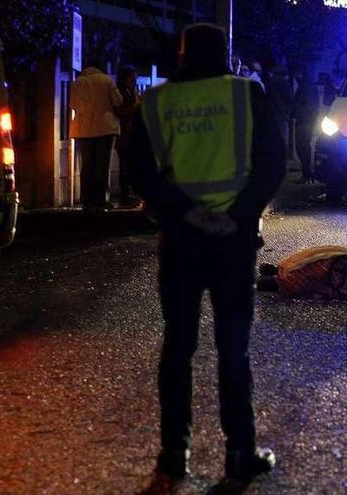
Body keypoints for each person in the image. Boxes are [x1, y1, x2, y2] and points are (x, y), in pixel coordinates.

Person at [127, 23, 286, 490]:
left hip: (180, 238)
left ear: (181, 53)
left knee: (178, 345)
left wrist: (186, 212)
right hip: (232, 240)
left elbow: (141, 171)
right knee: (233, 348)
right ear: (225, 52)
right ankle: (240, 454)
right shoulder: (246, 94)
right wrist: (237, 213)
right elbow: (272, 162)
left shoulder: (155, 102)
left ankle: (174, 453)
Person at [70, 61, 123, 210]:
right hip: (105, 128)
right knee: (102, 166)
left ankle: (87, 200)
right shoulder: (106, 80)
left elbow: (73, 105)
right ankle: (101, 199)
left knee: (86, 167)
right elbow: (118, 101)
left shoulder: (77, 83)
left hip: (83, 130)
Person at [114, 65, 141, 207]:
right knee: (124, 165)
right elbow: (119, 111)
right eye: (132, 79)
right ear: (125, 79)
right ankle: (125, 196)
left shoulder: (131, 91)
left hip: (130, 133)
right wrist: (135, 107)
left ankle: (129, 194)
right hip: (123, 133)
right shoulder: (120, 92)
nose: (135, 81)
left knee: (130, 165)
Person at [293, 70, 320, 183]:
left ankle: (307, 173)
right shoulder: (308, 86)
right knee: (304, 147)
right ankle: (308, 173)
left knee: (302, 147)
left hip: (304, 121)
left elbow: (307, 106)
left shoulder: (305, 87)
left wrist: (297, 113)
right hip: (307, 120)